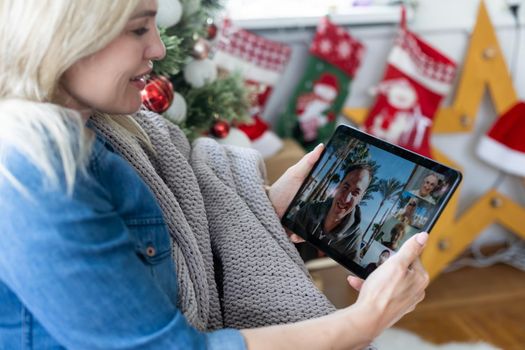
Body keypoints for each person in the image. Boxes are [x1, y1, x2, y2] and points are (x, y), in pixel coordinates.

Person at [0, 1, 430, 349]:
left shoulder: (104, 132)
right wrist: (364, 321)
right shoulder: (29, 176)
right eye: (137, 29)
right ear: (64, 34)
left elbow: (173, 232)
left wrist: (265, 206)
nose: (159, 49)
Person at [290, 164, 373, 260]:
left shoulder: (353, 240)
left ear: (361, 197)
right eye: (346, 187)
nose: (345, 199)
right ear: (339, 186)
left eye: (355, 193)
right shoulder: (310, 210)